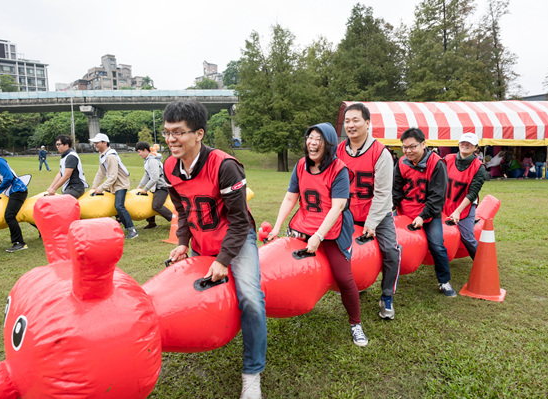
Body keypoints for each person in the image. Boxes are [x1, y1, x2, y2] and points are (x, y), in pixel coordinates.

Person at [163, 101, 266, 399]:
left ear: (198, 134)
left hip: (236, 238)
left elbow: (239, 221)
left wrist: (223, 260)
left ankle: (252, 372)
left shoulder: (225, 165)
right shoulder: (170, 165)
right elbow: (182, 211)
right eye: (168, 132)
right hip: (200, 240)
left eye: (178, 132)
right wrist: (182, 242)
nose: (171, 139)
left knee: (251, 298)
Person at [267, 122, 369, 347]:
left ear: (329, 144)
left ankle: (356, 324)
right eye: (310, 138)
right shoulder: (301, 165)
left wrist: (319, 237)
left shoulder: (339, 169)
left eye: (318, 139)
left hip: (332, 229)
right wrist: (276, 227)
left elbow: (338, 207)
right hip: (305, 225)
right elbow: (290, 198)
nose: (312, 143)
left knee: (344, 277)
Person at [336, 103, 401, 320]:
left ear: (367, 123)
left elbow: (383, 194)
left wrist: (371, 223)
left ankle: (387, 296)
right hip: (347, 214)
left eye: (356, 120)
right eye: (347, 121)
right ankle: (357, 283)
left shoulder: (381, 153)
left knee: (391, 251)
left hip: (377, 214)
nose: (351, 125)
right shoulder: (337, 151)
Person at [392, 128, 456, 297]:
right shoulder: (401, 162)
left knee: (436, 245)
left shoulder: (437, 163)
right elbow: (396, 190)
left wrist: (423, 216)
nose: (408, 151)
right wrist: (389, 208)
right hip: (405, 212)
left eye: (412, 146)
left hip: (429, 213)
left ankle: (444, 281)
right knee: (393, 246)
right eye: (404, 147)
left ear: (423, 144)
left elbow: (437, 196)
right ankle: (391, 282)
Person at [444, 133, 486, 260]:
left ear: (476, 148)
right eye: (463, 142)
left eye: (469, 143)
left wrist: (457, 211)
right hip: (445, 202)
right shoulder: (447, 159)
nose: (465, 145)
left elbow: (472, 193)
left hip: (465, 205)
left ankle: (482, 264)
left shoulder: (479, 167)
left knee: (467, 237)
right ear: (458, 144)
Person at [90, 133, 138, 240]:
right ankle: (115, 226)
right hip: (113, 185)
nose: (95, 145)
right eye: (95, 143)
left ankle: (132, 230)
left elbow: (112, 177)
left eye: (97, 142)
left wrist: (100, 188)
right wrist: (94, 187)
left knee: (119, 206)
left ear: (105, 143)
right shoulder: (103, 155)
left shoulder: (111, 156)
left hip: (120, 184)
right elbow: (101, 173)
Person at [135, 142, 173, 229]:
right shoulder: (148, 160)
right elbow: (147, 175)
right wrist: (140, 186)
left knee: (156, 206)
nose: (139, 154)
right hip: (156, 187)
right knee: (149, 203)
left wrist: (146, 189)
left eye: (139, 151)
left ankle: (177, 220)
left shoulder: (152, 161)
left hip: (162, 187)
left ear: (145, 150)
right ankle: (152, 223)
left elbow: (155, 178)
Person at [46, 135, 89, 199]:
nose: (57, 147)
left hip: (75, 188)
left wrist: (54, 189)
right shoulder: (65, 156)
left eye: (58, 144)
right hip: (69, 187)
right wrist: (51, 187)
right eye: (56, 145)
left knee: (61, 201)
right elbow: (60, 173)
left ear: (66, 145)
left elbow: (67, 175)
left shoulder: (71, 156)